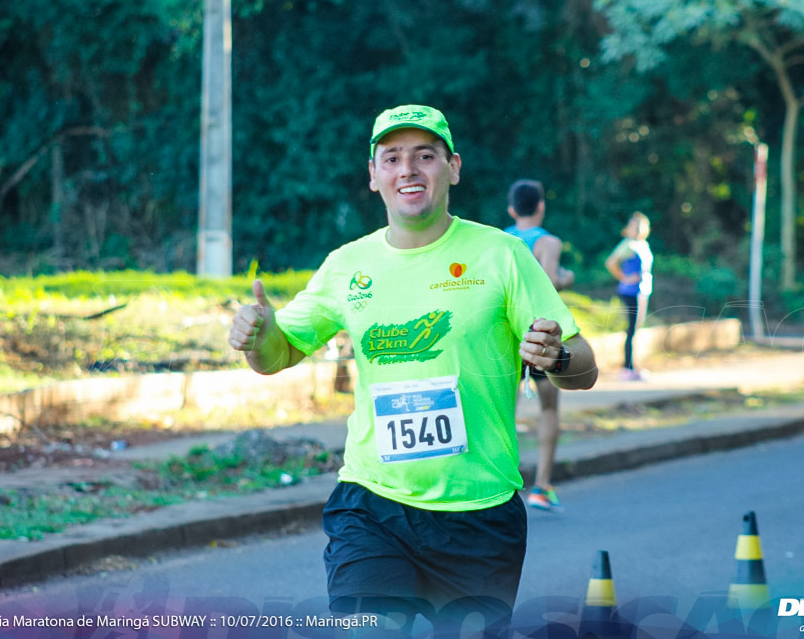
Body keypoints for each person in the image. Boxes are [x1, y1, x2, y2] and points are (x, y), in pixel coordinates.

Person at [228, 104, 598, 635]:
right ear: (374, 175)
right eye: (393, 158)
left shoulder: (502, 256)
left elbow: (584, 368)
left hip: (480, 513)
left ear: (453, 167)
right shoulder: (347, 265)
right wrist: (257, 338)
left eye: (425, 155)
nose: (409, 169)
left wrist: (557, 357)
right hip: (373, 506)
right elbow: (276, 355)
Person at [504, 179, 575, 512]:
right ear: (541, 206)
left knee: (504, 410)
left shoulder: (498, 240)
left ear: (512, 209)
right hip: (539, 335)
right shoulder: (549, 242)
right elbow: (546, 284)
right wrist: (566, 277)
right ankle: (541, 487)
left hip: (505, 336)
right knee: (548, 408)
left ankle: (504, 481)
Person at [604, 212, 653, 381]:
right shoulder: (628, 245)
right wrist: (624, 277)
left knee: (637, 329)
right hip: (630, 291)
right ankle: (627, 368)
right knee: (631, 329)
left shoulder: (643, 245)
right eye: (634, 226)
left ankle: (634, 366)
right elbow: (610, 262)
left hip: (642, 291)